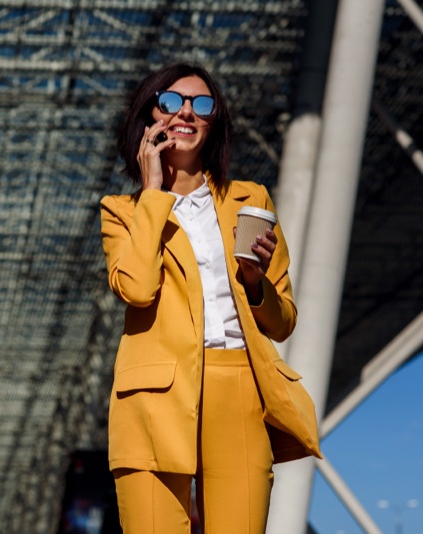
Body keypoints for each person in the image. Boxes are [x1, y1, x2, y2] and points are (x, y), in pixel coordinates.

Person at [99, 62, 322, 533]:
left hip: (239, 390)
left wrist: (255, 281)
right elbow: (137, 288)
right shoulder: (122, 212)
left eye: (201, 104)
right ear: (149, 116)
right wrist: (154, 192)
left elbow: (282, 323)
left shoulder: (250, 199)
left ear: (214, 120)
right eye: (171, 102)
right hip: (153, 400)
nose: (186, 113)